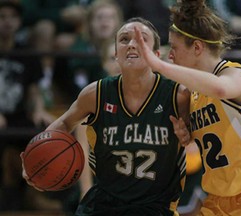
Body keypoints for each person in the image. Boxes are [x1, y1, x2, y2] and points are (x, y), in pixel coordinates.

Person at [22, 17, 191, 215]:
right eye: (124, 39)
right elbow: (64, 124)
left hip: (156, 206)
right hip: (103, 205)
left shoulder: (178, 96)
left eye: (141, 39)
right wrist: (36, 164)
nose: (131, 44)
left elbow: (199, 136)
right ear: (115, 54)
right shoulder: (95, 94)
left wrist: (189, 135)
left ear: (155, 55)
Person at [134, 0, 241, 215]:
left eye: (175, 48)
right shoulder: (193, 95)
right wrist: (186, 136)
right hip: (218, 202)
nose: (170, 55)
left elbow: (222, 90)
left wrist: (160, 66)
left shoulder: (236, 74)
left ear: (197, 47)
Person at [0, 0, 57, 211]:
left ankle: (34, 194)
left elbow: (34, 90)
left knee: (41, 133)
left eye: (12, 17)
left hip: (17, 114)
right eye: (2, 17)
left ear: (19, 22)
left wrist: (39, 109)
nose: (7, 22)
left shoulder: (27, 52)